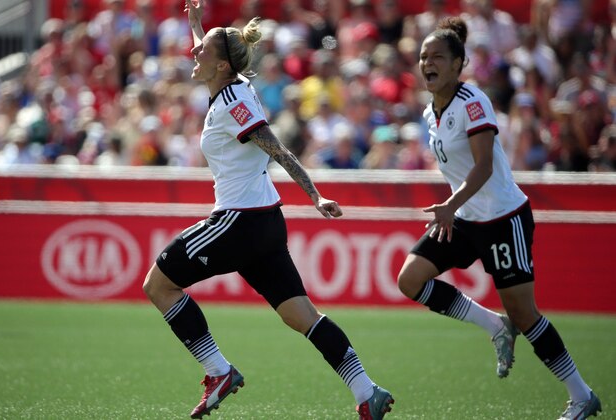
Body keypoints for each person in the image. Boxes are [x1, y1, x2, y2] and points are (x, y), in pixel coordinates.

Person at [142, 2, 394, 419]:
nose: (193, 52)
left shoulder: (233, 102)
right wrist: (196, 25)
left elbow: (275, 146)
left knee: (158, 284)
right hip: (265, 224)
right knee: (303, 316)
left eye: (201, 49)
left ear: (222, 65)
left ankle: (218, 371)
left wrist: (314, 195)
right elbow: (214, 64)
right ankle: (367, 391)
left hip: (238, 222)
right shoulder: (226, 86)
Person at [396, 17, 602, 420]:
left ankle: (581, 395)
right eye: (423, 56)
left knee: (527, 314)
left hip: (503, 218)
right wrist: (455, 208)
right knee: (410, 279)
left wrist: (450, 205)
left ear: (459, 63)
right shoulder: (429, 112)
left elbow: (484, 166)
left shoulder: (473, 102)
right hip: (465, 218)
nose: (427, 63)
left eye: (437, 55)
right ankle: (494, 326)